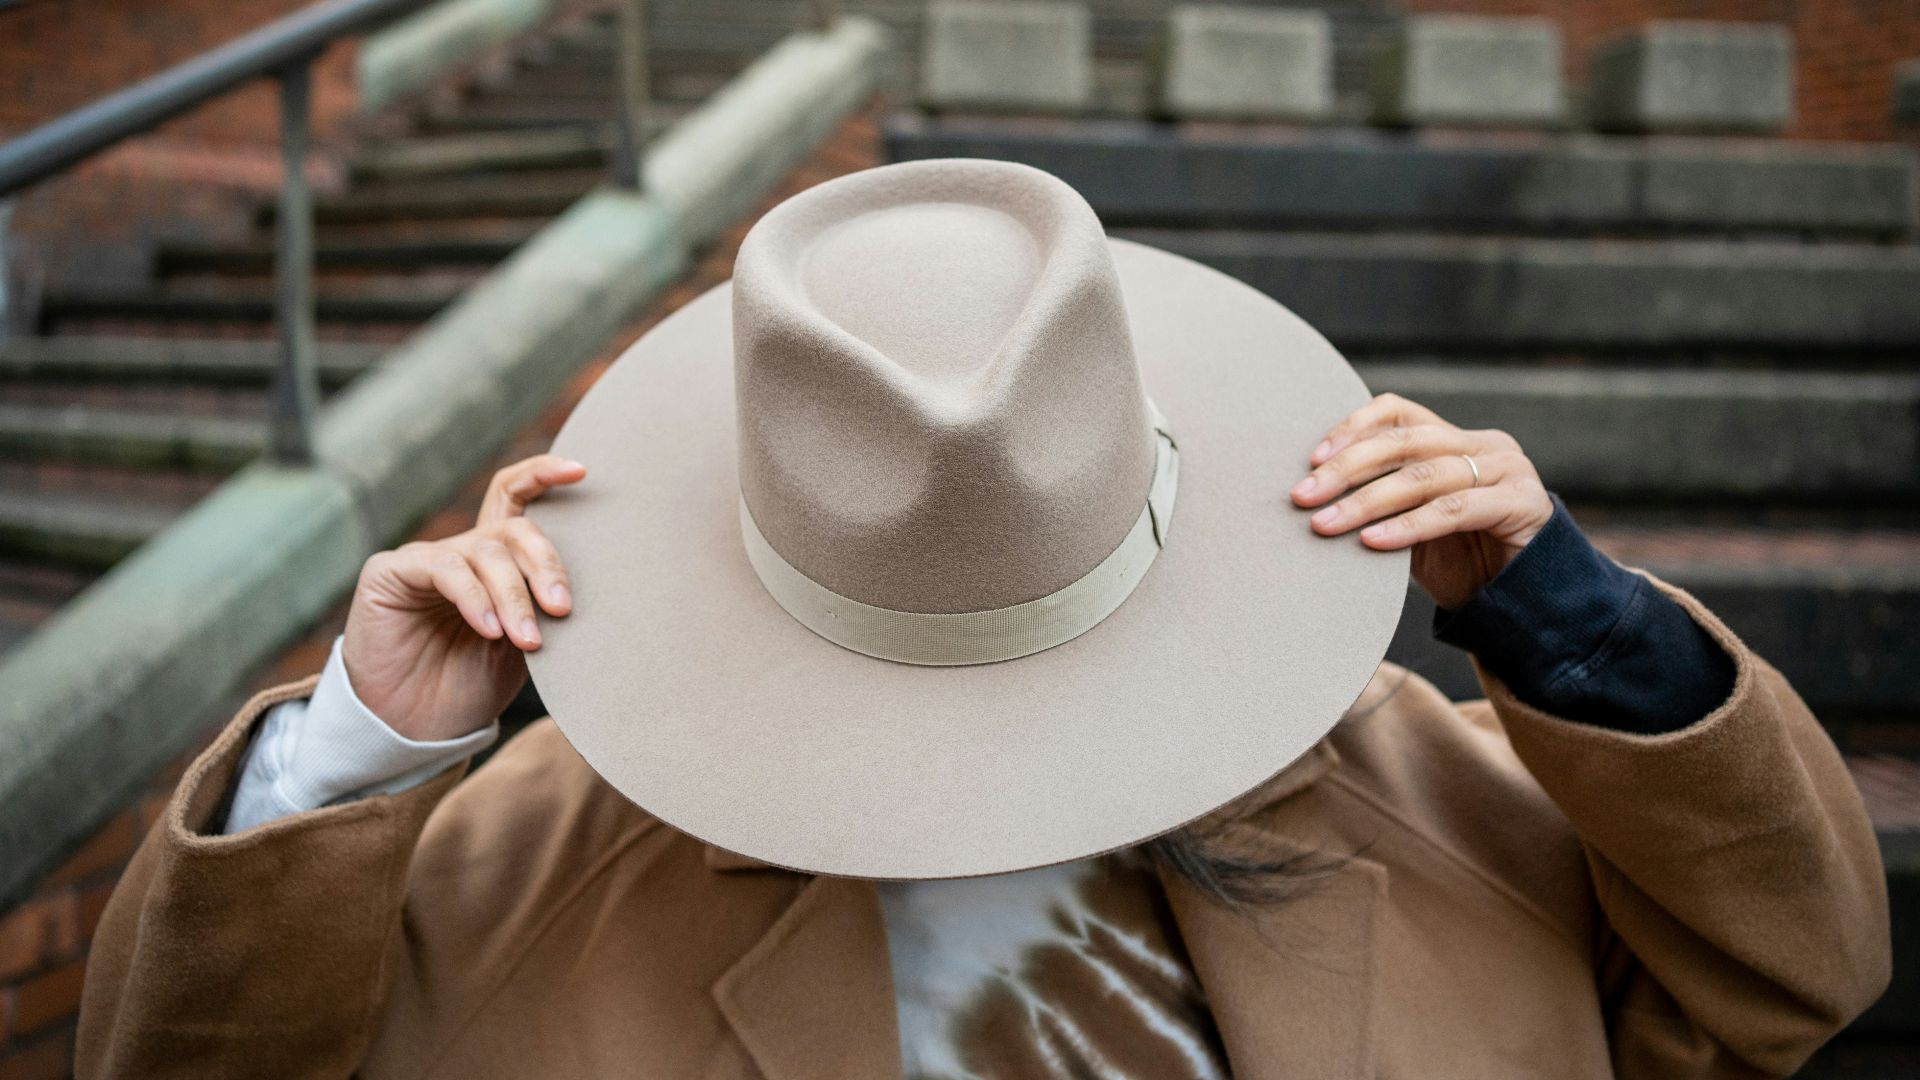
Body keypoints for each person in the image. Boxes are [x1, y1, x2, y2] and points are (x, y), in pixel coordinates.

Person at [78, 161, 1887, 1079]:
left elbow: (1787, 981)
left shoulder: (1417, 788)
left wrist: (1572, 618)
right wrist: (359, 745)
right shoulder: (523, 873)